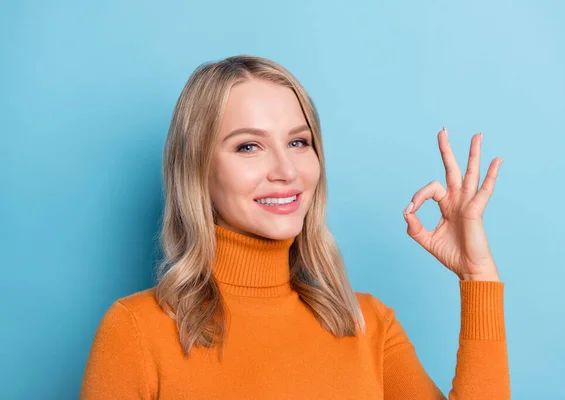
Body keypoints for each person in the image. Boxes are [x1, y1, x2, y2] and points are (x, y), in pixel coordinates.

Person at [80, 55, 510, 399]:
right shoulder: (135, 332)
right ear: (197, 170)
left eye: (298, 142)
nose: (286, 170)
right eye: (249, 146)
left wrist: (478, 276)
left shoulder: (367, 325)